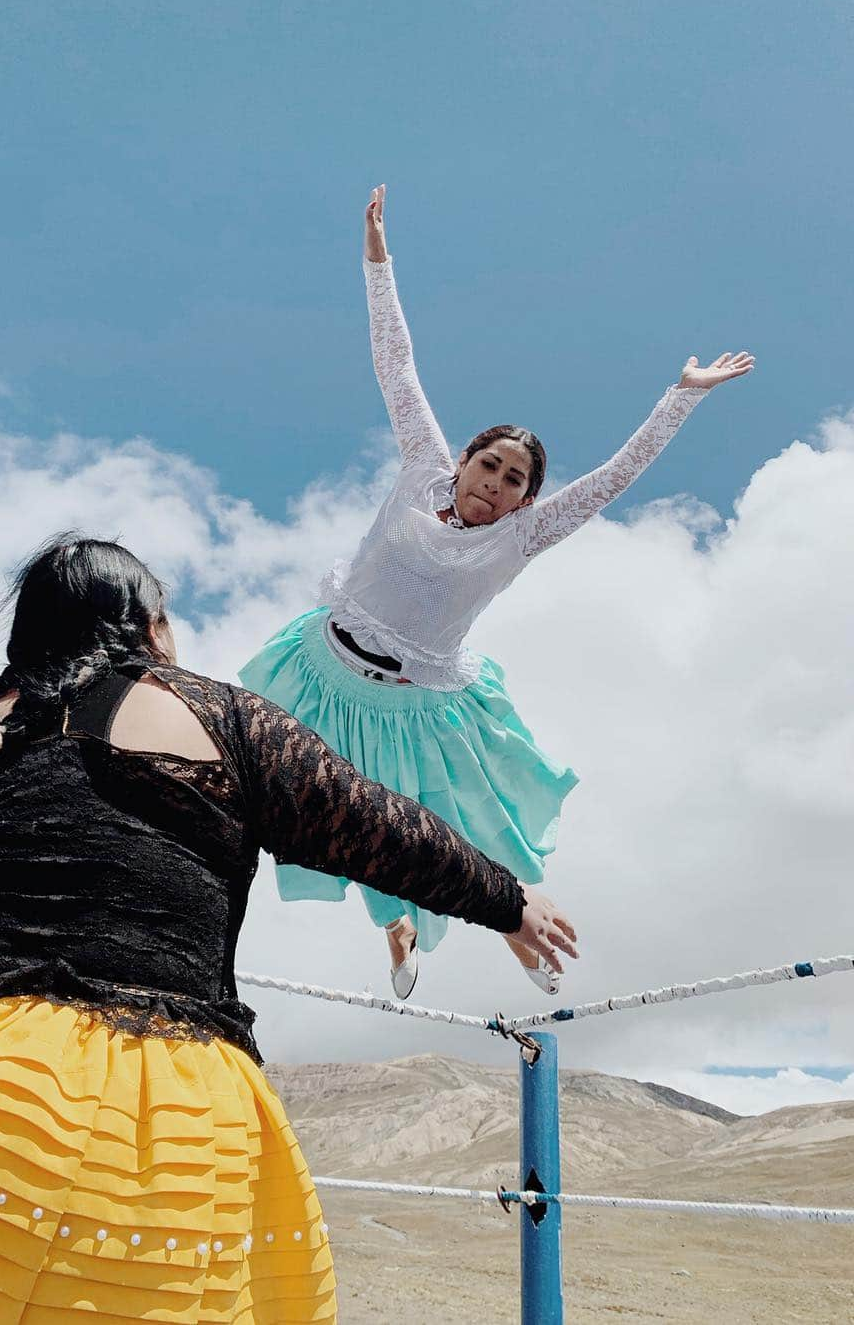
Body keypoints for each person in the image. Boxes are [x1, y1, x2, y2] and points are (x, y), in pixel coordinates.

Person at [0, 535, 576, 1324]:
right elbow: (370, 824)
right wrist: (508, 902)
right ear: (148, 623)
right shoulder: (215, 712)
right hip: (117, 1093)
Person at [241, 184, 753, 1000]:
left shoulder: (527, 532)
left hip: (416, 701)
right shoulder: (421, 466)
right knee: (289, 796)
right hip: (321, 670)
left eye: (516, 480)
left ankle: (514, 935)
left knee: (448, 823)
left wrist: (681, 396)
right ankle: (394, 927)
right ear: (465, 461)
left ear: (524, 499)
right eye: (490, 466)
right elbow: (395, 362)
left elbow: (615, 478)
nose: (497, 484)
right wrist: (378, 259)